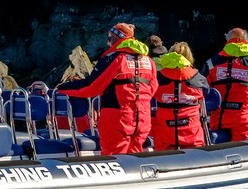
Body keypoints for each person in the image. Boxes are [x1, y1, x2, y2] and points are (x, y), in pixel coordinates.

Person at [61, 22, 155, 154]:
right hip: (142, 118)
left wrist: (62, 88)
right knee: (135, 156)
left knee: (114, 158)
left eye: (110, 38)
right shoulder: (148, 61)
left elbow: (92, 87)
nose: (108, 42)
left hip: (118, 117)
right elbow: (152, 87)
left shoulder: (113, 59)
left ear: (118, 38)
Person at [204, 27, 248, 142]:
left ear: (227, 40)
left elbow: (203, 90)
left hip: (219, 119)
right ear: (246, 41)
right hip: (244, 120)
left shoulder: (212, 62)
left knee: (218, 153)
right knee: (244, 153)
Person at [151, 41, 209, 149]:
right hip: (191, 133)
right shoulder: (198, 77)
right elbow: (206, 92)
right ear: (189, 57)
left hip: (165, 134)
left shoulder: (158, 77)